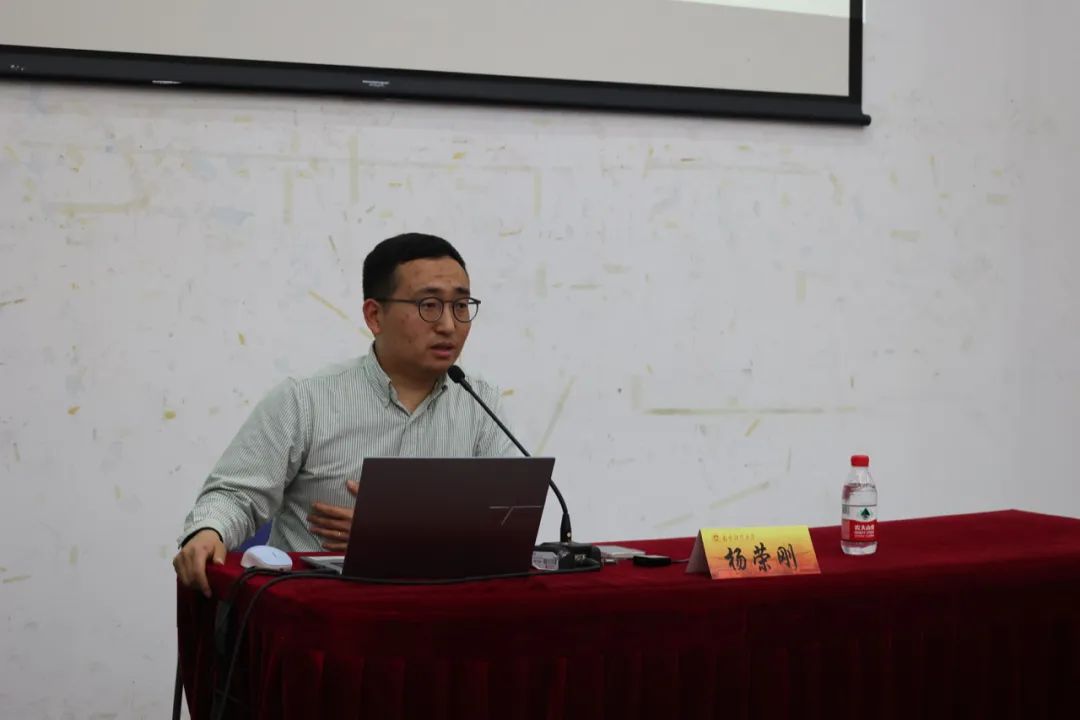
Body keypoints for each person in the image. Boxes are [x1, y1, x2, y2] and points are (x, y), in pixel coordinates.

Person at [172, 233, 515, 596]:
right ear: (375, 316)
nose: (448, 324)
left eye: (460, 305)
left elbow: (508, 523)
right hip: (320, 608)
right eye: (429, 305)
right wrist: (208, 530)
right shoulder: (306, 399)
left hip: (442, 606)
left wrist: (399, 535)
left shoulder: (481, 402)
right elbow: (235, 494)